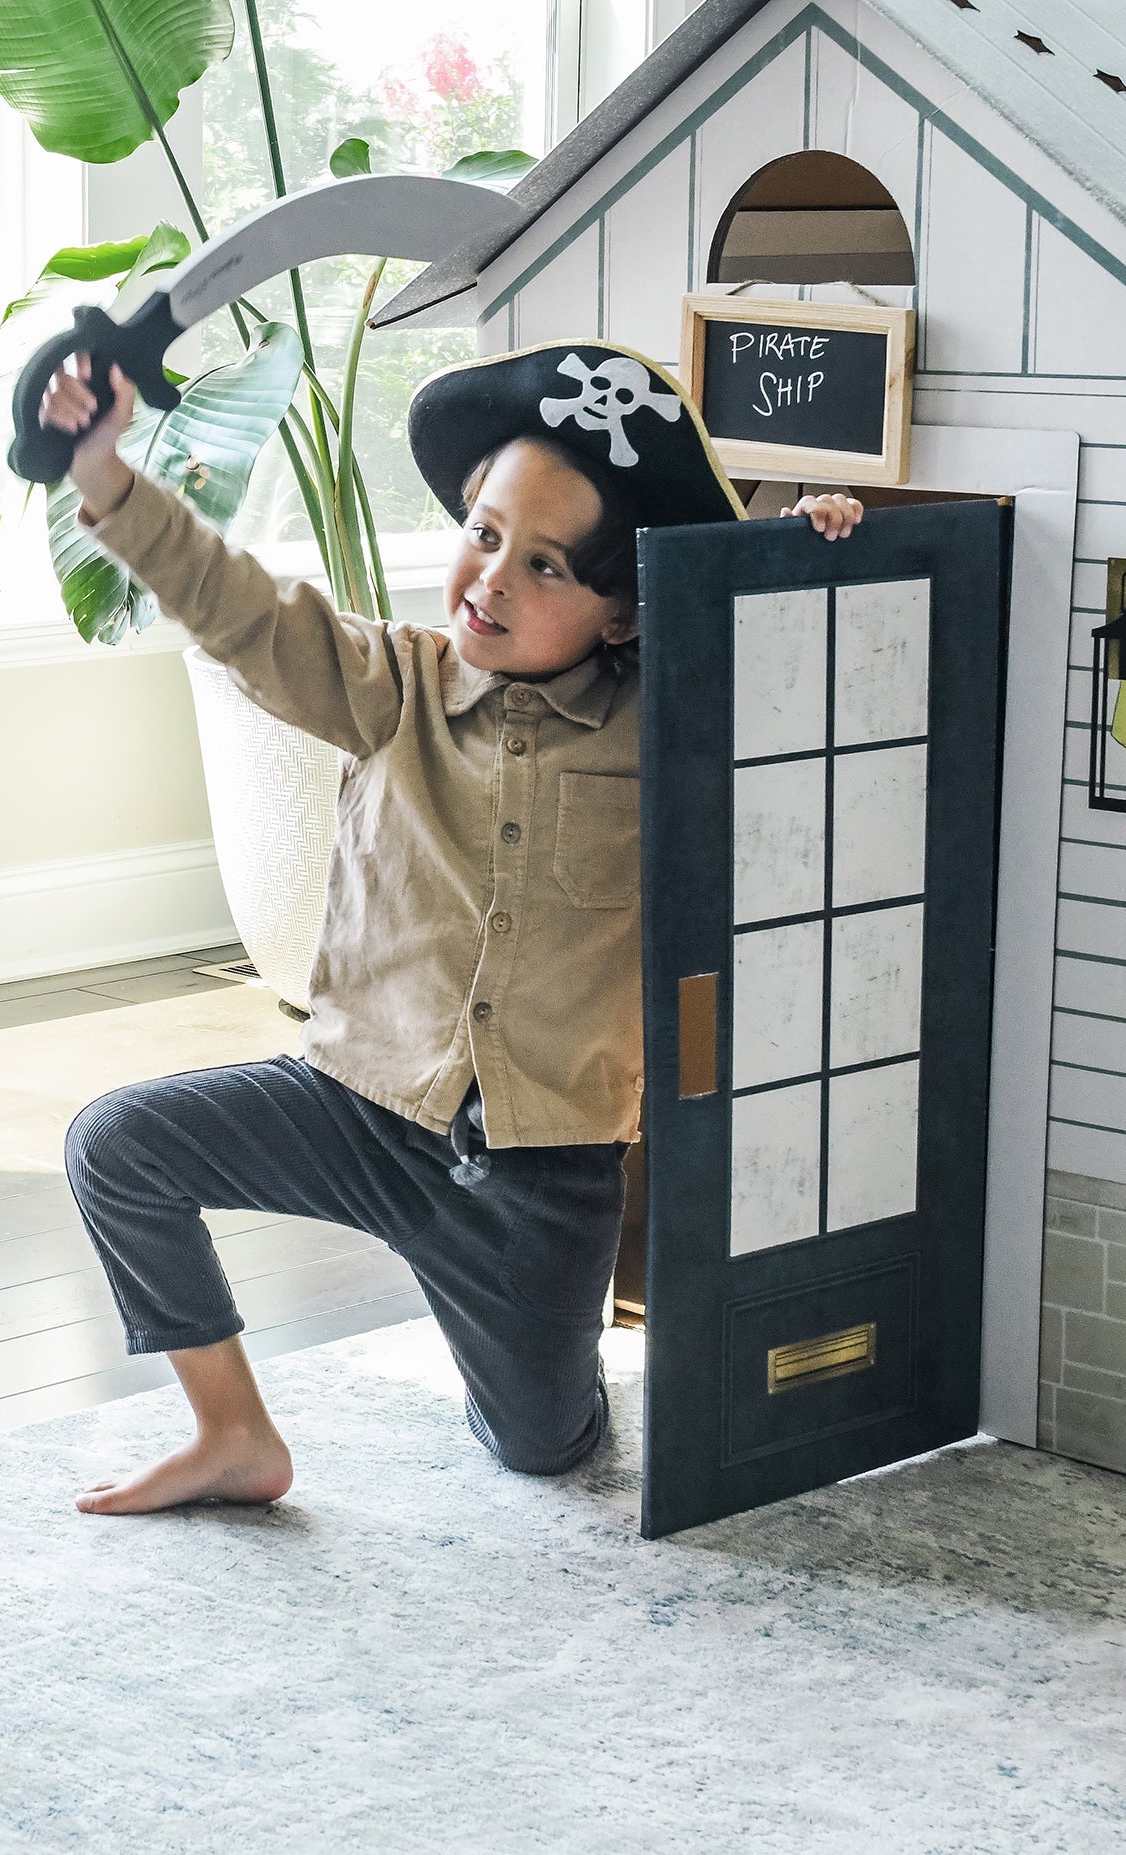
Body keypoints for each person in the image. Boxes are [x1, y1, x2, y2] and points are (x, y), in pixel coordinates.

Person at [42, 338, 865, 1515]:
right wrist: (109, 483)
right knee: (117, 1144)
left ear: (624, 609)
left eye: (544, 567)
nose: (491, 581)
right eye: (483, 534)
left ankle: (528, 1356)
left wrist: (815, 555)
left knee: (546, 1450)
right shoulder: (394, 685)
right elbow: (243, 609)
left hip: (541, 1169)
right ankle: (231, 1432)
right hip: (358, 1106)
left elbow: (790, 680)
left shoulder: (667, 722)